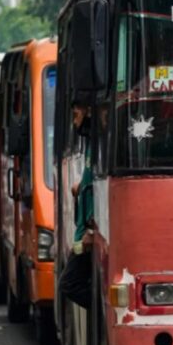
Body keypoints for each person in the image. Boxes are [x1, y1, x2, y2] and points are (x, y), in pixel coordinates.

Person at [58, 100, 94, 309]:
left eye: (76, 115)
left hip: (89, 234)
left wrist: (90, 229)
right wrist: (81, 185)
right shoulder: (91, 143)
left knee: (70, 284)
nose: (74, 122)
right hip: (83, 232)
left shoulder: (102, 143)